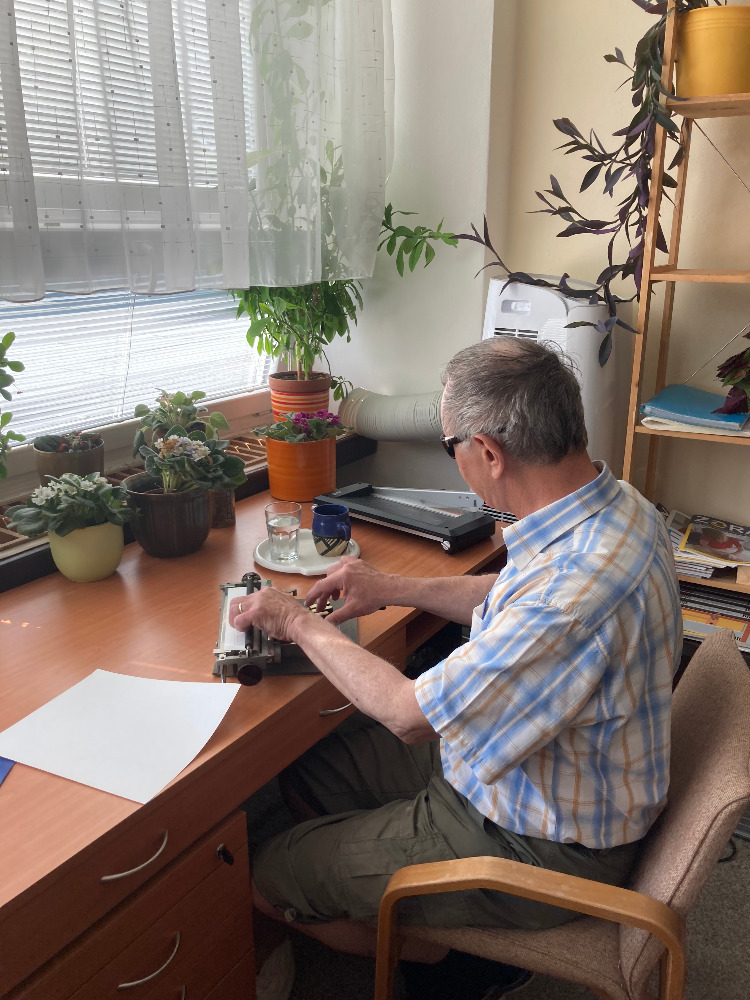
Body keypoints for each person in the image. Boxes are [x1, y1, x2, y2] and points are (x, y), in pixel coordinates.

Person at [230, 337, 683, 1000]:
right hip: (536, 774)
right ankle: (391, 900)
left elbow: (407, 714)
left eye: (451, 447)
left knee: (266, 873)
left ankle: (451, 962)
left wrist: (295, 620)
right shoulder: (616, 509)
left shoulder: (572, 599)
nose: (455, 460)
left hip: (535, 840)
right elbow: (513, 598)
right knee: (308, 767)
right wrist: (392, 587)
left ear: (489, 453)